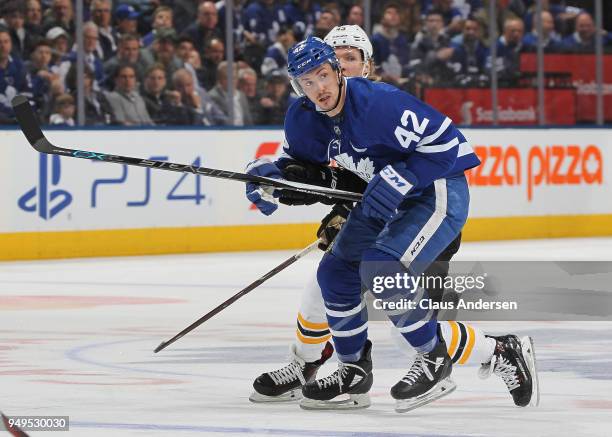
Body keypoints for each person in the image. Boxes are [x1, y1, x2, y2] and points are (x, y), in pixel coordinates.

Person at [245, 35, 538, 411]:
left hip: (435, 192)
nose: (318, 88)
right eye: (307, 82)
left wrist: (403, 177)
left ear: (337, 70)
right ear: (296, 86)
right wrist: (270, 179)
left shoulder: (378, 103)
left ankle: (436, 357)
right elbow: (303, 170)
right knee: (334, 274)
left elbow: (454, 147)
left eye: (323, 75)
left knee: (381, 270)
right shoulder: (303, 119)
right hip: (381, 203)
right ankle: (351, 369)